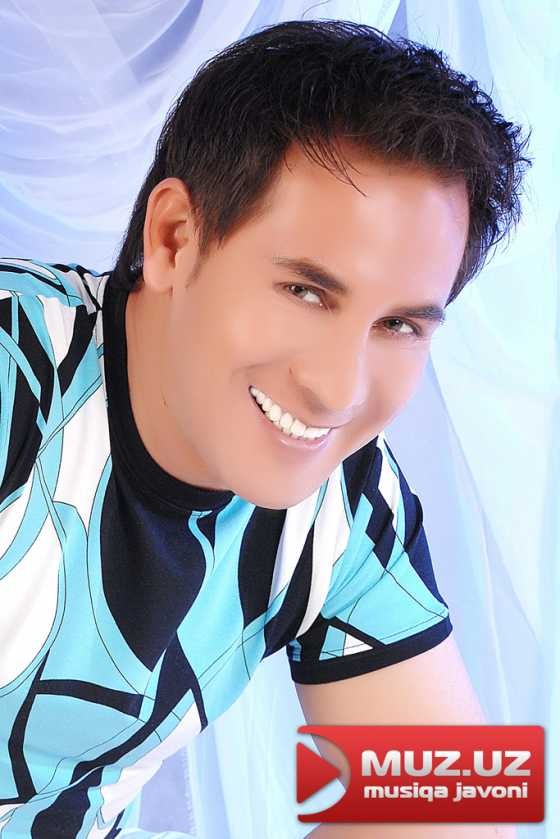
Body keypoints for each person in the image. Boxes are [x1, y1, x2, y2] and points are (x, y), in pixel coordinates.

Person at [0, 18, 530, 839]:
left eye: (398, 325)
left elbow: (454, 804)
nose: (337, 388)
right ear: (175, 238)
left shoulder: (345, 503)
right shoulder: (17, 372)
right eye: (307, 292)